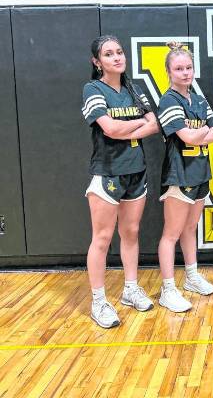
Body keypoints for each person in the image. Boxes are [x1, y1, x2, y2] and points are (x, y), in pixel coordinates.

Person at [82, 35, 159, 328]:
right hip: (108, 173)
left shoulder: (134, 89)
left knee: (131, 233)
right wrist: (138, 125)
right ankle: (99, 301)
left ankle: (130, 289)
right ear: (97, 62)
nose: (116, 57)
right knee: (102, 238)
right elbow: (110, 129)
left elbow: (155, 125)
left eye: (119, 52)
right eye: (109, 54)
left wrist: (131, 128)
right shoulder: (93, 89)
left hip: (136, 172)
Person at [156, 42, 213, 312]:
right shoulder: (169, 100)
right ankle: (167, 289)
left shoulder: (199, 99)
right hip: (179, 174)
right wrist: (202, 131)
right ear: (169, 72)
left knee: (190, 229)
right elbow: (189, 136)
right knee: (171, 233)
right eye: (178, 68)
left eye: (188, 67)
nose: (185, 73)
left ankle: (191, 276)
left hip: (201, 171)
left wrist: (203, 132)